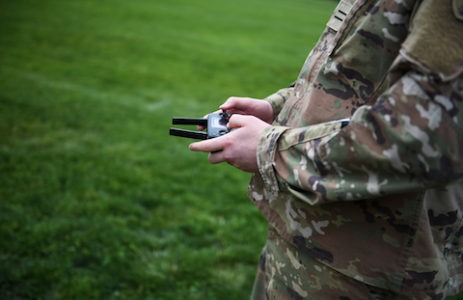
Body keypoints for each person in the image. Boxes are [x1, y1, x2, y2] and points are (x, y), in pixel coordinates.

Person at [189, 0, 463, 299]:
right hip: (302, 229)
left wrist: (270, 148)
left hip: (367, 268)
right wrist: (277, 107)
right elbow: (354, 77)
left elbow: (425, 135)